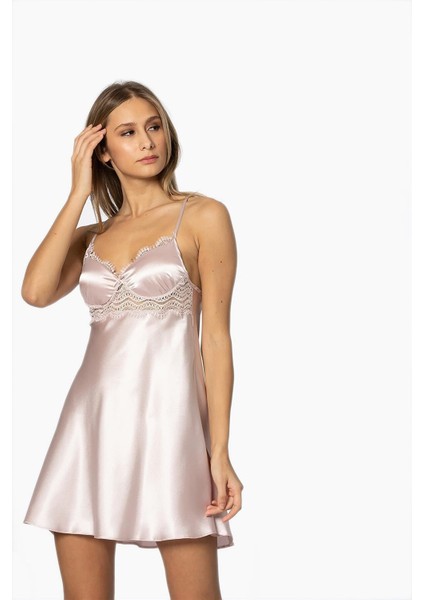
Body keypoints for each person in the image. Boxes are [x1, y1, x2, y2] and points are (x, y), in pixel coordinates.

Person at [21, 80, 243, 599]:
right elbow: (35, 292)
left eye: (154, 126)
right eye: (127, 132)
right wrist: (78, 193)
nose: (147, 141)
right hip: (89, 427)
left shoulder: (203, 216)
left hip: (171, 429)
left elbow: (216, 339)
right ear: (102, 151)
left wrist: (219, 451)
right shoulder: (91, 237)